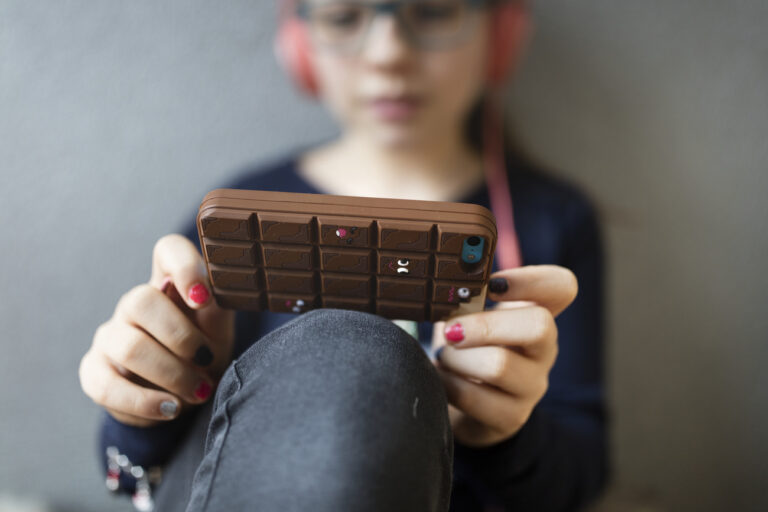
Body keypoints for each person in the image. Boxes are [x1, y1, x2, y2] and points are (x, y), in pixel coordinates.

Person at [79, 0, 608, 510]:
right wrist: (146, 402)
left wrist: (503, 434)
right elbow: (128, 478)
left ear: (501, 35)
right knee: (351, 348)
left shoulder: (552, 219)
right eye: (342, 16)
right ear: (300, 46)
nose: (388, 53)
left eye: (432, 10)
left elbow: (580, 479)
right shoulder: (239, 214)